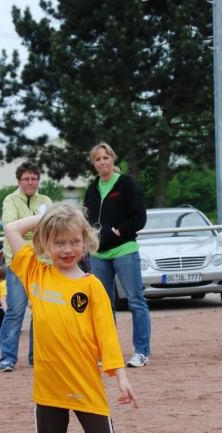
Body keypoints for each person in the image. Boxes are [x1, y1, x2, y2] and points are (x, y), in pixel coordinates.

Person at [4, 201, 158, 433]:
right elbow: (13, 230)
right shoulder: (34, 272)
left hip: (86, 389)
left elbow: (106, 337)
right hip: (48, 389)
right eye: (58, 242)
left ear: (85, 242)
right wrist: (48, 217)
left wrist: (120, 376)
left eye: (74, 241)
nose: (67, 249)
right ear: (45, 245)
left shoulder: (91, 287)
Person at [84, 142, 151, 368]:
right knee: (103, 305)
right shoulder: (92, 189)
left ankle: (142, 351)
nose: (102, 162)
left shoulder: (126, 185)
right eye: (97, 159)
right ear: (93, 164)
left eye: (105, 158)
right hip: (99, 255)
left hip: (124, 251)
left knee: (135, 301)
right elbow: (85, 219)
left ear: (113, 159)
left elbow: (139, 218)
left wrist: (117, 232)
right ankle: (108, 352)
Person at [0, 161, 53, 372]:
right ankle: (7, 358)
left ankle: (36, 356)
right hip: (19, 263)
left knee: (41, 311)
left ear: (38, 180)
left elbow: (50, 228)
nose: (30, 182)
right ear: (19, 181)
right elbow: (11, 228)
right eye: (26, 179)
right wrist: (36, 225)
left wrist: (26, 226)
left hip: (44, 262)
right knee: (15, 311)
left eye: (34, 178)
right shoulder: (10, 200)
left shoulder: (46, 200)